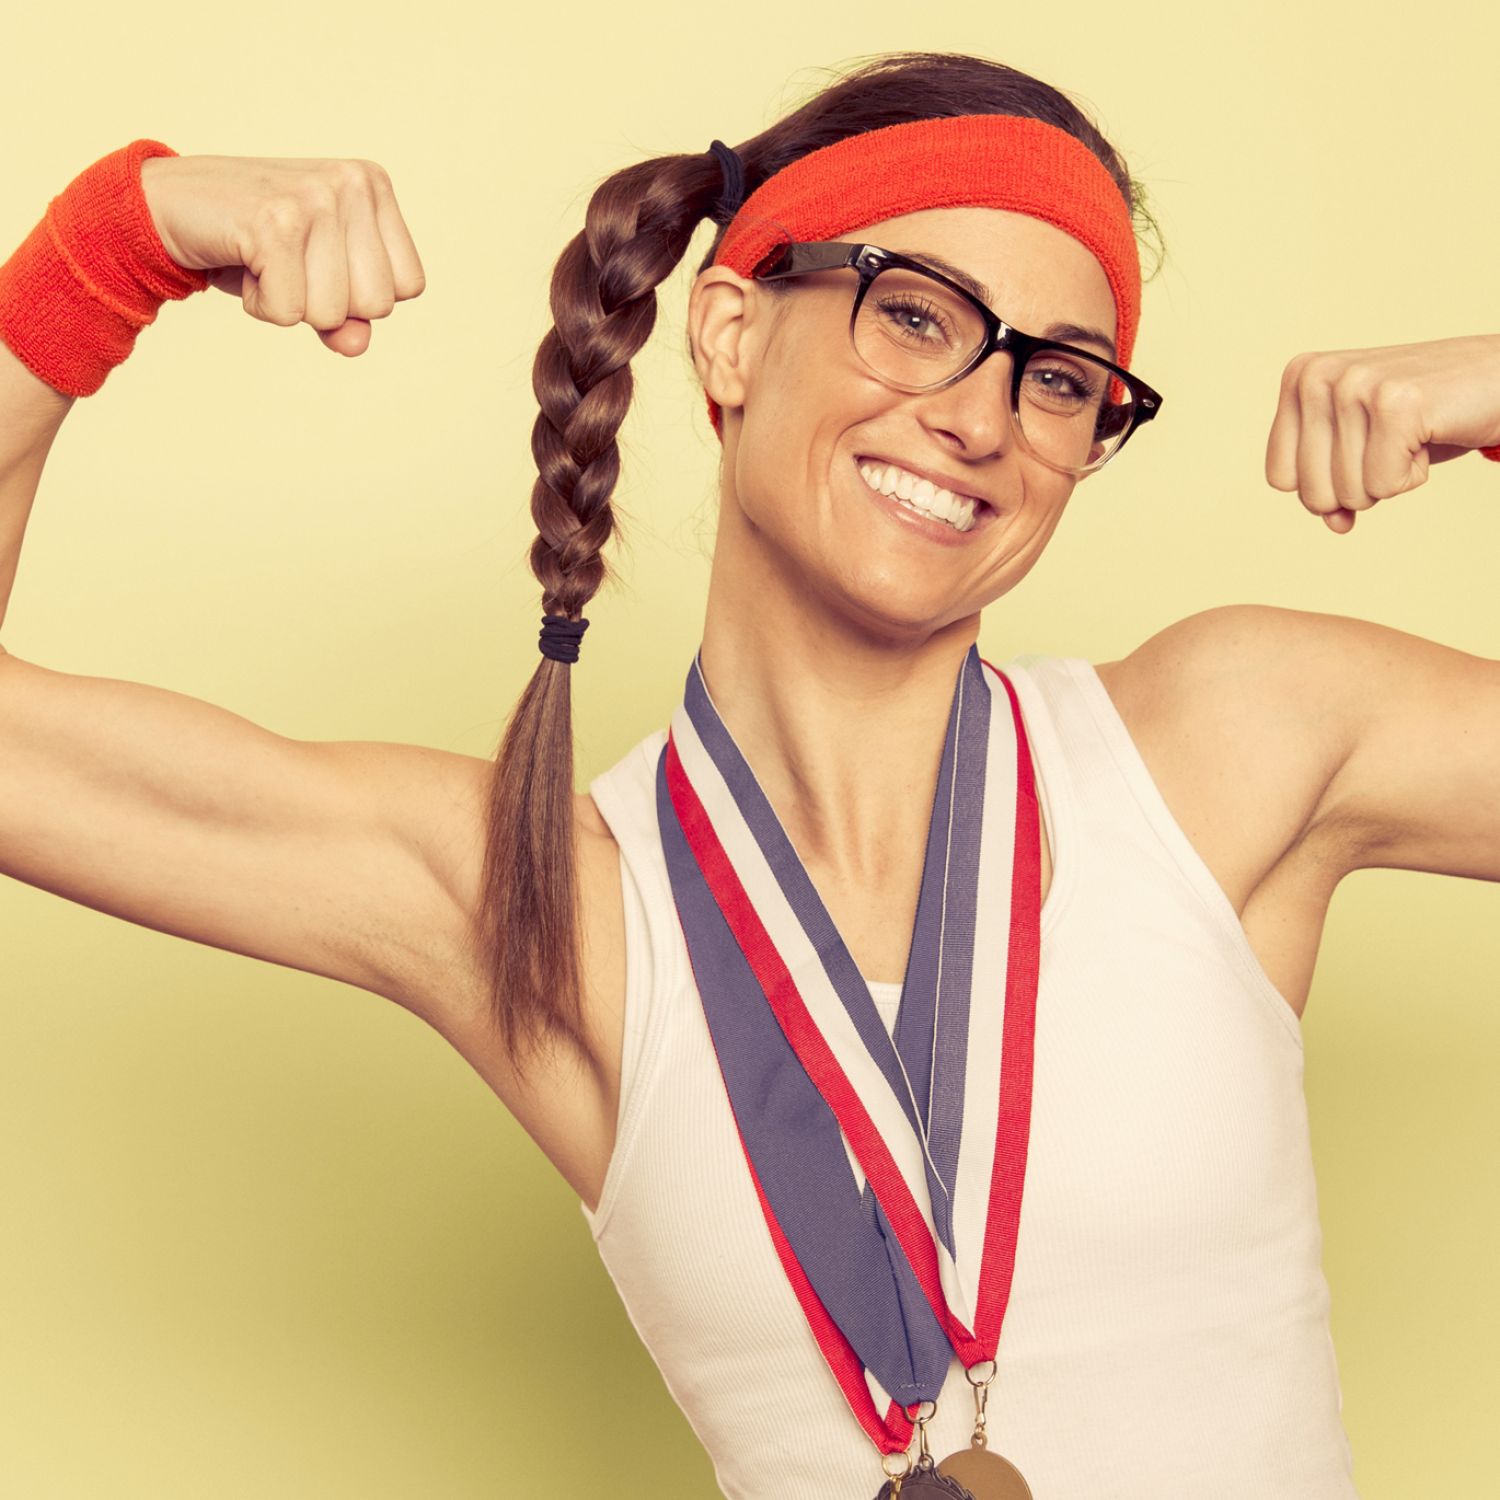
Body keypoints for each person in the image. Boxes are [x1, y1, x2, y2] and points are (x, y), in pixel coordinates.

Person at [2, 47, 1498, 1500]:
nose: (981, 415)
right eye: (916, 316)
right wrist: (108, 247)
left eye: (1061, 380)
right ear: (728, 334)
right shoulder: (549, 905)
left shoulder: (1231, 747)